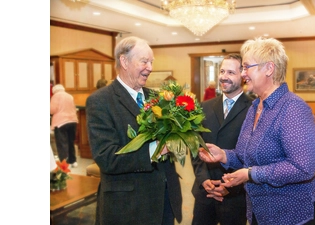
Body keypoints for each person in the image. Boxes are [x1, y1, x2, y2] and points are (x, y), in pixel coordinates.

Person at [198, 37, 315, 225]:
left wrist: (250, 174)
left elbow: (303, 168)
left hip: (295, 214)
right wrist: (224, 155)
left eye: (247, 67)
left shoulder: (293, 108)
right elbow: (245, 156)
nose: (243, 74)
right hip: (262, 213)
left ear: (269, 68)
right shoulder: (255, 106)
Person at [86, 36, 182, 225]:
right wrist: (156, 149)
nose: (150, 68)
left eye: (151, 62)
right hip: (128, 208)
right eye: (144, 61)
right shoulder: (100, 101)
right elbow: (107, 158)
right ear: (124, 61)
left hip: (164, 200)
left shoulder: (156, 97)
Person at [191, 53, 252, 225]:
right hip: (205, 192)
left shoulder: (254, 109)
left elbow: (252, 155)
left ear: (243, 75)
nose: (224, 77)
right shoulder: (204, 107)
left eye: (231, 73)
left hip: (235, 196)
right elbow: (195, 146)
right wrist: (203, 180)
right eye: (222, 71)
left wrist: (231, 187)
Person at [50, 84, 79, 167]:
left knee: (62, 144)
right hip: (73, 121)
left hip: (61, 122)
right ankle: (73, 161)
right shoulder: (70, 96)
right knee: (71, 142)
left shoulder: (55, 96)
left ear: (54, 91)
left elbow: (52, 110)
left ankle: (65, 164)